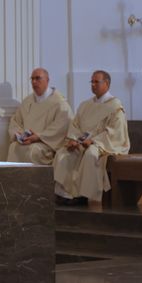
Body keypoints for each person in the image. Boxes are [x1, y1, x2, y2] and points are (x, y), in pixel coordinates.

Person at [52, 70, 130, 204]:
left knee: (90, 155)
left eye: (96, 82)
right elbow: (75, 125)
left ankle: (83, 196)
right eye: (91, 82)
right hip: (81, 143)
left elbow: (115, 132)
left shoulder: (115, 106)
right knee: (63, 154)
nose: (93, 84)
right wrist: (74, 140)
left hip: (101, 145)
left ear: (107, 83)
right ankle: (64, 194)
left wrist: (93, 141)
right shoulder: (85, 105)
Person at [6, 68, 72, 165]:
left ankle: (33, 180)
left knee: (33, 151)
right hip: (27, 141)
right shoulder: (27, 101)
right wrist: (20, 135)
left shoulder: (59, 102)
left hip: (46, 144)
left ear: (47, 80)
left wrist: (39, 136)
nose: (34, 82)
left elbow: (62, 125)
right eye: (32, 79)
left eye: (38, 78)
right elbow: (15, 121)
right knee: (13, 148)